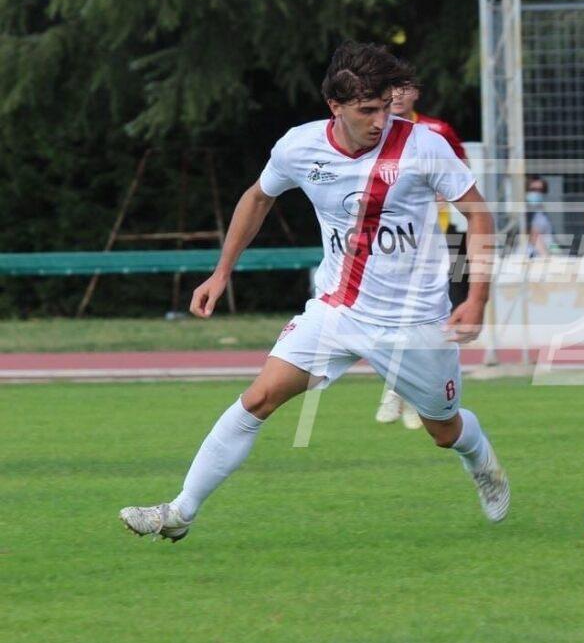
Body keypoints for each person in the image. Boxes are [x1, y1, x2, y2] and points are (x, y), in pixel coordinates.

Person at [119, 42, 509, 541]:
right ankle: (179, 513)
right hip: (336, 309)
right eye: (366, 111)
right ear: (335, 106)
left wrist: (476, 299)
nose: (380, 121)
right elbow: (257, 198)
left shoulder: (423, 146)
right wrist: (221, 272)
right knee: (259, 398)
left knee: (444, 430)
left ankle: (481, 461)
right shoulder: (298, 147)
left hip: (414, 321)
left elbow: (479, 215)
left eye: (385, 108)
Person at [375, 81, 471, 430]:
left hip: (437, 237)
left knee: (432, 320)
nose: (397, 95)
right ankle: (402, 388)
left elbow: (463, 175)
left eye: (404, 89)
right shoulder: (373, 133)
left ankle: (413, 394)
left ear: (416, 93)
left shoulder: (436, 131)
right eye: (391, 89)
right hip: (392, 242)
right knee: (394, 317)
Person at [526, 175, 556, 258]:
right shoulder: (525, 212)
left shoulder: (541, 212)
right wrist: (546, 257)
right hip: (532, 256)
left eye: (541, 190)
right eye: (533, 190)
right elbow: (534, 235)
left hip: (543, 255)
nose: (537, 193)